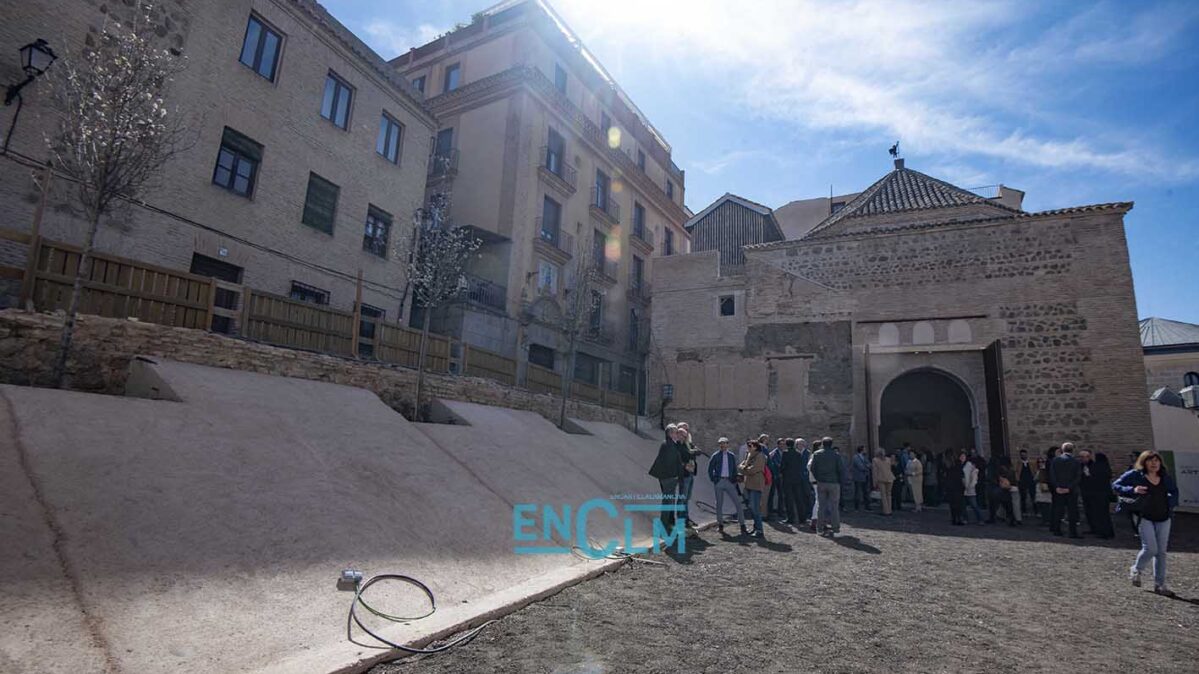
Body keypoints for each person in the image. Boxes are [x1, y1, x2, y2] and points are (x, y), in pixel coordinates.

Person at [1113, 451, 1179, 596]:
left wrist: (1171, 502)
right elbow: (1116, 485)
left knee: (1161, 552)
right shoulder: (1135, 475)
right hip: (1144, 517)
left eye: (1156, 461)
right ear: (1144, 462)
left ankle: (1160, 585)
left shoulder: (1165, 477)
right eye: (1150, 461)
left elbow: (1174, 491)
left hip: (1164, 517)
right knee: (1150, 548)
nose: (1154, 463)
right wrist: (1133, 489)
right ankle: (1136, 569)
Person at [707, 437, 747, 536]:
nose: (722, 445)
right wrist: (714, 479)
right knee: (719, 504)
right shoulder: (716, 455)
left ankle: (742, 525)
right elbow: (710, 468)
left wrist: (734, 480)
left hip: (729, 481)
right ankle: (720, 524)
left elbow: (734, 468)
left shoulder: (731, 456)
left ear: (727, 444)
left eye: (724, 443)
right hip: (719, 481)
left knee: (738, 503)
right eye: (720, 443)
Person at [648, 424, 685, 530]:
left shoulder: (672, 444)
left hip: (669, 478)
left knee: (669, 502)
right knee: (667, 503)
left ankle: (666, 525)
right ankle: (663, 527)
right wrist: (674, 476)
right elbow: (669, 463)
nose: (677, 434)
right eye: (675, 432)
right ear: (670, 434)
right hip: (669, 478)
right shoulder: (668, 444)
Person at [809, 437, 844, 536]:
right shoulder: (836, 455)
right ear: (831, 444)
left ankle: (819, 529)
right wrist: (839, 480)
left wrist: (818, 478)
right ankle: (835, 529)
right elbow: (841, 469)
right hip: (834, 483)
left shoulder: (817, 454)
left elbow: (812, 468)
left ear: (823, 444)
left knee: (821, 507)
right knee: (834, 507)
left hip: (821, 482)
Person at [1049, 442, 1082, 538]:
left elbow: (1052, 475)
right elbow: (1078, 477)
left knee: (1058, 510)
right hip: (1071, 490)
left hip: (1059, 490)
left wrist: (1057, 487)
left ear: (1062, 450)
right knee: (1072, 511)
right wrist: (1069, 488)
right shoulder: (1075, 462)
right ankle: (1072, 532)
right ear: (1072, 450)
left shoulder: (1055, 460)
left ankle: (1057, 530)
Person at [1080, 451, 1114, 539]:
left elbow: (1091, 478)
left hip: (1097, 493)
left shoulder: (1096, 467)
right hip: (1104, 493)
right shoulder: (1105, 467)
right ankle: (1105, 531)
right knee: (1103, 514)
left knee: (1099, 514)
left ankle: (1103, 532)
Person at [738, 440, 767, 538]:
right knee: (751, 507)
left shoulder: (760, 456)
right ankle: (756, 527)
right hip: (748, 484)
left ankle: (759, 530)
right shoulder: (748, 455)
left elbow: (753, 469)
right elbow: (740, 466)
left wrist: (745, 469)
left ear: (755, 447)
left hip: (756, 484)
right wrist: (745, 468)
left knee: (755, 508)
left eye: (750, 446)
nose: (748, 448)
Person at [676, 422, 701, 529]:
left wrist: (692, 451)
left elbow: (697, 451)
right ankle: (681, 520)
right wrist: (692, 452)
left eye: (687, 430)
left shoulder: (688, 443)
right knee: (682, 498)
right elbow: (686, 454)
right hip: (683, 474)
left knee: (687, 498)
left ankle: (686, 518)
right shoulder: (678, 444)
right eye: (683, 430)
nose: (686, 433)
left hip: (690, 472)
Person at [780, 438, 809, 527]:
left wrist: (782, 472)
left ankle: (790, 518)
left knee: (789, 499)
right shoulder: (798, 453)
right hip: (797, 479)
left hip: (788, 479)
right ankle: (802, 518)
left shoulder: (785, 453)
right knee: (799, 498)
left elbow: (783, 466)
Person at [988, 459, 1019, 525]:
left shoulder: (998, 469)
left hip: (999, 489)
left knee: (994, 505)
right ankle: (1012, 520)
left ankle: (993, 518)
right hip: (1006, 489)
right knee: (1008, 506)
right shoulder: (1011, 470)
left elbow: (994, 479)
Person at [944, 451, 966, 525]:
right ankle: (959, 519)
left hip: (951, 487)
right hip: (958, 486)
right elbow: (962, 476)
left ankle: (954, 519)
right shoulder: (958, 464)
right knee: (959, 504)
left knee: (953, 504)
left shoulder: (947, 466)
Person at [766, 437, 785, 521]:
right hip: (775, 476)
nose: (782, 446)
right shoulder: (773, 453)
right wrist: (777, 473)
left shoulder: (785, 453)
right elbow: (773, 465)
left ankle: (781, 511)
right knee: (771, 494)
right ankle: (770, 511)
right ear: (778, 445)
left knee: (781, 494)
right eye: (781, 444)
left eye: (783, 444)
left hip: (782, 476)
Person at [872, 449, 894, 516]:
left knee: (883, 495)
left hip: (881, 478)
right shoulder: (888, 459)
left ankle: (886, 511)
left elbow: (875, 472)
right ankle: (890, 510)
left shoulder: (875, 460)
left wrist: (874, 481)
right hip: (890, 478)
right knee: (889, 494)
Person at [963, 452, 983, 524]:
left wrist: (970, 486)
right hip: (965, 488)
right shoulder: (964, 466)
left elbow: (973, 478)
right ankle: (966, 518)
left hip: (969, 488)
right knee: (964, 505)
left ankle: (980, 519)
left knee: (974, 505)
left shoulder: (970, 467)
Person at [1016, 449, 1037, 514]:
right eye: (1022, 455)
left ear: (1026, 454)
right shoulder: (1018, 463)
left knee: (1033, 496)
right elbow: (1016, 472)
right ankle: (1024, 511)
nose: (1023, 456)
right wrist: (1018, 480)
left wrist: (1034, 478)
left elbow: (1034, 471)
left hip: (1031, 481)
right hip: (1022, 481)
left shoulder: (1031, 463)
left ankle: (1036, 510)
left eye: (1024, 454)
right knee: (1023, 497)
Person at [851, 446, 871, 511]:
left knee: (866, 491)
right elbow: (860, 466)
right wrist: (866, 467)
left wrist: (868, 466)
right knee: (858, 492)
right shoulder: (855, 457)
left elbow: (870, 464)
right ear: (862, 450)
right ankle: (857, 507)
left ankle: (867, 506)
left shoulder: (865, 457)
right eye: (865, 449)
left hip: (865, 476)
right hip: (858, 477)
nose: (866, 450)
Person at [1034, 458, 1053, 523]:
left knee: (1045, 505)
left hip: (1044, 487)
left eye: (1042, 462)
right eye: (1039, 462)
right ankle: (1046, 519)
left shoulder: (1044, 469)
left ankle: (1047, 520)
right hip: (1040, 487)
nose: (1040, 463)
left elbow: (1041, 478)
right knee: (1043, 504)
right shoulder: (1038, 469)